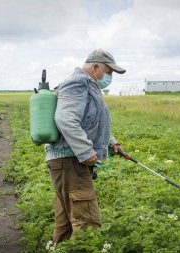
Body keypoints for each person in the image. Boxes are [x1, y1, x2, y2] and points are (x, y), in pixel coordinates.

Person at [44, 49, 125, 247]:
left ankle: (60, 247)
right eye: (109, 72)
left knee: (66, 221)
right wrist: (86, 152)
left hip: (68, 162)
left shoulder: (88, 86)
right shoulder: (78, 84)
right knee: (88, 221)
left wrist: (112, 142)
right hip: (70, 160)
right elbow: (66, 119)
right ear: (95, 67)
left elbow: (91, 122)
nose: (110, 77)